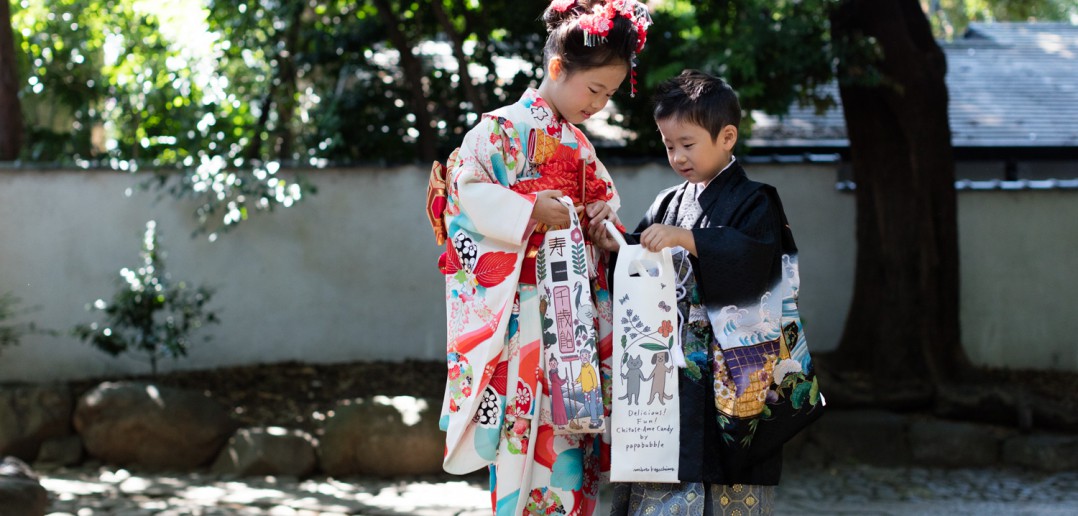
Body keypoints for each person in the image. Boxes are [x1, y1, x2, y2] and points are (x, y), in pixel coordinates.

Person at [431, 1, 653, 514]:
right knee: (524, 441)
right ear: (557, 68)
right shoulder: (497, 132)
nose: (599, 105)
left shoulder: (579, 146)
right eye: (594, 90)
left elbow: (605, 212)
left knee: (574, 445)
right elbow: (462, 203)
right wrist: (529, 210)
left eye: (609, 95)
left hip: (574, 318)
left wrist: (600, 222)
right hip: (523, 318)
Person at [592, 69, 825, 515]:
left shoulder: (757, 201)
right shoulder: (667, 203)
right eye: (669, 145)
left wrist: (688, 239)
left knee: (727, 485)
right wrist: (617, 244)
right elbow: (638, 259)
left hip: (730, 379)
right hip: (669, 378)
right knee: (659, 468)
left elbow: (757, 262)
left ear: (727, 137)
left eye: (687, 144)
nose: (677, 156)